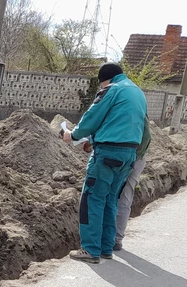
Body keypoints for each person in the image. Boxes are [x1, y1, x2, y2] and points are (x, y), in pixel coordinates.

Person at [62, 62, 147, 264]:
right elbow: (121, 123)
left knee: (92, 199)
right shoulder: (137, 92)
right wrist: (92, 140)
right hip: (129, 155)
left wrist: (72, 135)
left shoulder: (111, 90)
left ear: (105, 80)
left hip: (107, 153)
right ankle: (106, 248)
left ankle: (91, 249)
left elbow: (93, 117)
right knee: (110, 200)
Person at [81, 115, 152, 253]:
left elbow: (106, 131)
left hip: (129, 158)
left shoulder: (122, 108)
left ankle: (102, 244)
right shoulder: (136, 109)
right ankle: (111, 242)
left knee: (104, 198)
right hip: (133, 157)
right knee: (117, 198)